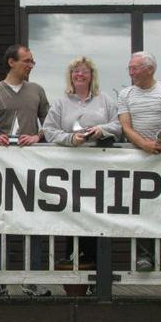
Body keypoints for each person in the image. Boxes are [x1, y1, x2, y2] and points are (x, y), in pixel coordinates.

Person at [0, 44, 50, 297]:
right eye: (27, 61)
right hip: (1, 170)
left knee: (34, 222)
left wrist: (37, 137)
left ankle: (32, 280)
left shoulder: (37, 91)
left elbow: (49, 124)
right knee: (0, 223)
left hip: (31, 168)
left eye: (32, 62)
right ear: (11, 62)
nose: (31, 65)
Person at [43, 56, 122, 271]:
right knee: (73, 215)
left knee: (97, 218)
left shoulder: (105, 100)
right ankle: (75, 269)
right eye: (75, 71)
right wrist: (70, 139)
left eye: (84, 71)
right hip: (69, 172)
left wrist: (101, 130)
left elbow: (119, 126)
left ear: (91, 76)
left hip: (99, 171)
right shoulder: (60, 103)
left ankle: (99, 273)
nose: (80, 74)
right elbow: (48, 130)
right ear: (70, 76)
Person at [118, 51, 161, 272]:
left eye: (135, 67)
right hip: (136, 159)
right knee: (140, 207)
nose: (131, 72)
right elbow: (125, 127)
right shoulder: (125, 94)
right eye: (129, 68)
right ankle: (143, 256)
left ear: (150, 69)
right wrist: (144, 145)